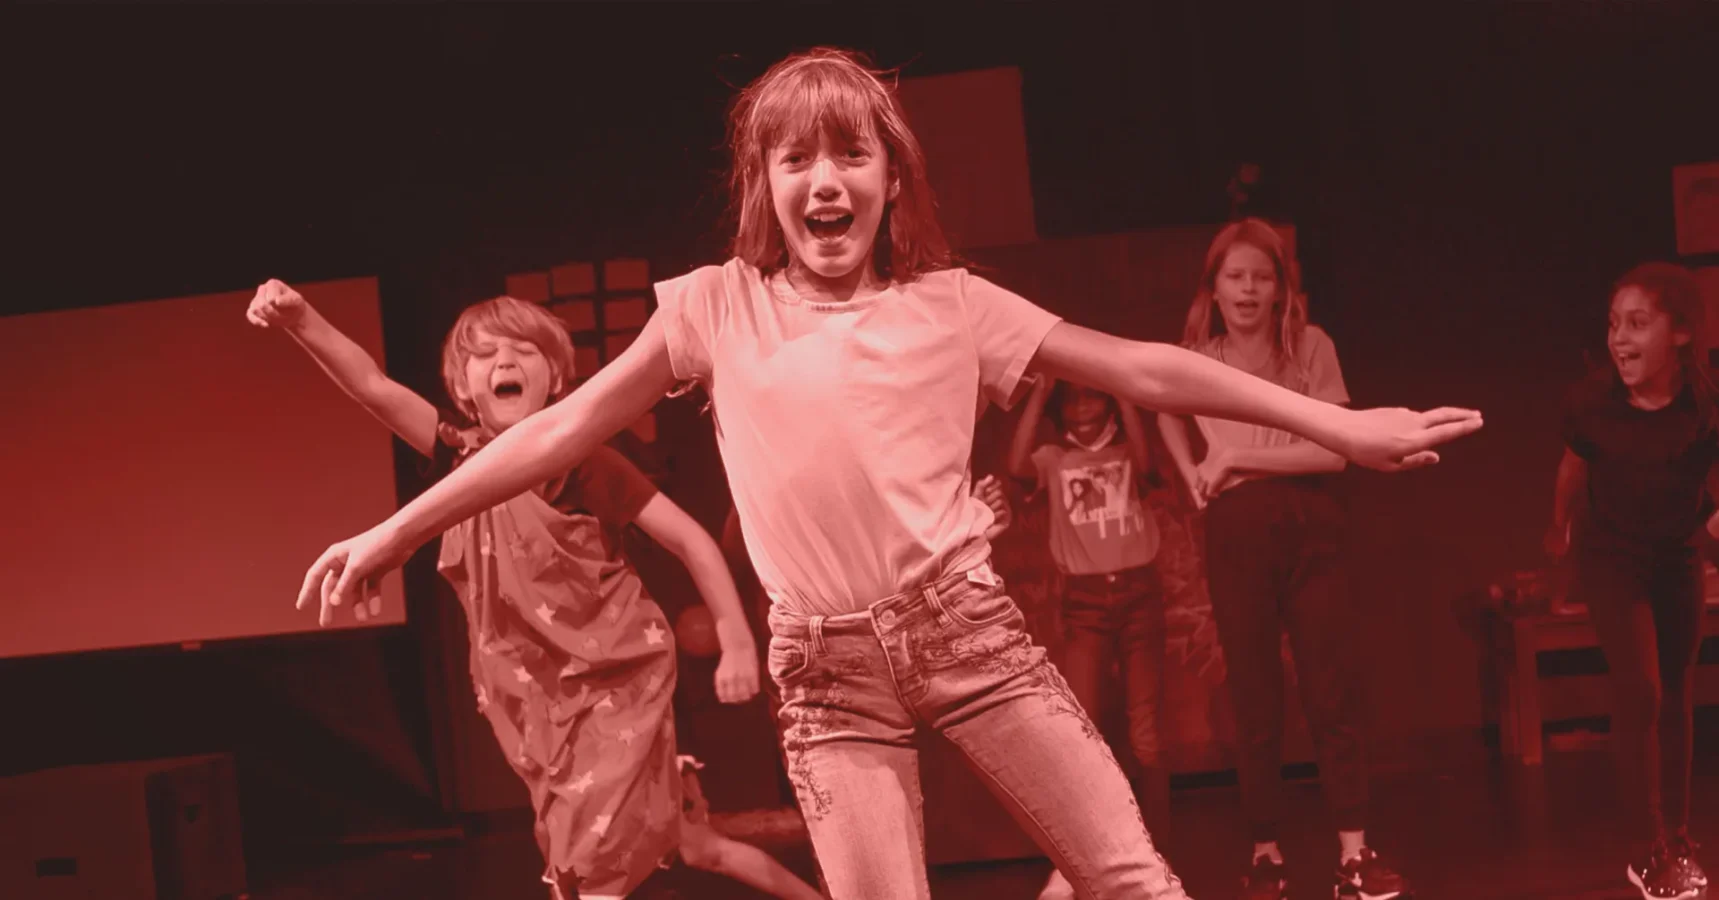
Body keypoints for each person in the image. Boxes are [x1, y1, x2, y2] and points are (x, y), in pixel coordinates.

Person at [290, 48, 1481, 900]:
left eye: (850, 155)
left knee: (1130, 878)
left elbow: (1142, 366)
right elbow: (548, 437)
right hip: (826, 667)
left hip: (968, 634)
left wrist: (1343, 430)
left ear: (890, 179)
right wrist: (395, 534)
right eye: (794, 159)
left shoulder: (951, 305)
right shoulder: (715, 308)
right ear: (761, 186)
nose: (825, 181)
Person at [247, 285, 819, 900]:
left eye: (523, 350)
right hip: (535, 700)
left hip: (613, 685)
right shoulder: (456, 461)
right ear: (463, 389)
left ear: (557, 380)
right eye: (486, 354)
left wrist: (735, 638)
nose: (505, 362)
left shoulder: (583, 461)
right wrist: (302, 320)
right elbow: (372, 385)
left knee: (589, 860)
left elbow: (691, 540)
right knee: (692, 846)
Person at [1157, 219, 1408, 900]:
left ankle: (1353, 852)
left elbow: (1332, 449)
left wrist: (1236, 455)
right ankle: (1264, 848)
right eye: (1234, 276)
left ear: (1279, 288)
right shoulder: (1197, 356)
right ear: (1213, 288)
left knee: (1331, 688)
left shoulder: (1309, 348)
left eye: (1260, 277)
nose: (1247, 288)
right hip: (1236, 529)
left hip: (1311, 520)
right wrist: (1189, 473)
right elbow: (1157, 405)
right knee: (1254, 694)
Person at [1547, 262, 1718, 900]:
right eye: (1615, 323)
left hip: (1675, 557)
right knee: (1640, 690)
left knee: (1676, 693)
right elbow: (1571, 468)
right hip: (1611, 556)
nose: (1620, 338)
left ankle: (1675, 833)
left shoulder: (1705, 402)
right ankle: (1644, 849)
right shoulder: (1591, 402)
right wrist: (1555, 527)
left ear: (1679, 333)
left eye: (1638, 323)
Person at [1009, 378, 1169, 900]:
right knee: (1083, 733)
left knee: (1145, 734)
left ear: (1109, 404)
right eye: (1072, 400)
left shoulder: (1129, 450)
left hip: (1140, 597)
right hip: (1085, 604)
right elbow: (1014, 468)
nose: (1083, 409)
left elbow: (1147, 468)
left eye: (1092, 396)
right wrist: (1039, 392)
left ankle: (1156, 858)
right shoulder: (1054, 458)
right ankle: (1086, 861)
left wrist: (1120, 386)